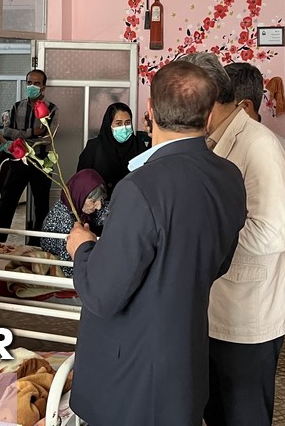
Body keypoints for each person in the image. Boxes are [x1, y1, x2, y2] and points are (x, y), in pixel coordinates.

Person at [65, 61, 247, 426]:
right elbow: (219, 262)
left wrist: (82, 248)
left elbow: (102, 294)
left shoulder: (141, 187)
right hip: (186, 355)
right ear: (210, 115)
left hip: (132, 373)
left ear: (150, 110)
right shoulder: (228, 175)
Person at [186, 53, 285, 426]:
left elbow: (273, 231)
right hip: (212, 311)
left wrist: (203, 234)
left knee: (244, 416)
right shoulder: (208, 140)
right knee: (215, 412)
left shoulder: (259, 145)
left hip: (248, 317)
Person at [224, 61, 285, 281]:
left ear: (245, 106)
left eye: (222, 105)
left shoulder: (284, 153)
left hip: (263, 279)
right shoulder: (216, 146)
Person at [0, 69, 58, 234]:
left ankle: (38, 243)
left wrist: (20, 137)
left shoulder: (51, 109)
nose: (32, 86)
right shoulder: (17, 107)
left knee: (41, 206)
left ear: (43, 86)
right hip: (18, 160)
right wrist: (31, 133)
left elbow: (47, 138)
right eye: (29, 83)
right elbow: (6, 132)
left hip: (41, 161)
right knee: (7, 202)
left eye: (37, 83)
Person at [40, 168, 110, 276]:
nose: (99, 206)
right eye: (93, 201)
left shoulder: (76, 204)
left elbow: (106, 212)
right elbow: (70, 268)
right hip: (67, 259)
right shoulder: (65, 220)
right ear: (80, 196)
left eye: (101, 200)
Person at [75, 102, 150, 197]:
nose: (124, 127)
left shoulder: (139, 146)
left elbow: (146, 178)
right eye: (118, 123)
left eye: (127, 123)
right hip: (100, 202)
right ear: (109, 124)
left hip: (132, 200)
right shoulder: (94, 147)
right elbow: (81, 181)